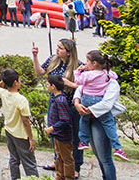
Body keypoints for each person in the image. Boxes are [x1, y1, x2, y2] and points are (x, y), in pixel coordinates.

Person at [33, 38, 83, 176]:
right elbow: (39, 72)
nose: (57, 50)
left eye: (60, 48)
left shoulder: (78, 66)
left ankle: (75, 166)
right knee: (55, 132)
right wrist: (35, 56)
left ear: (68, 52)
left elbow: (87, 87)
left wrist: (70, 84)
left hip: (70, 105)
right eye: (57, 47)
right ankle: (58, 160)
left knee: (73, 136)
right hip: (55, 103)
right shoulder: (53, 60)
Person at [75, 51, 127, 160]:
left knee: (84, 120)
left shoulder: (87, 75)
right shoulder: (107, 75)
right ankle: (118, 148)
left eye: (87, 61)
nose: (86, 63)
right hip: (99, 100)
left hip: (86, 100)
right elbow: (114, 75)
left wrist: (78, 72)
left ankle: (83, 141)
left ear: (94, 63)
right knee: (109, 125)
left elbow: (78, 82)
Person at [74, 75, 120, 180]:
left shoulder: (111, 83)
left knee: (105, 157)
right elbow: (80, 89)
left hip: (100, 121)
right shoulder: (91, 78)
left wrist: (87, 109)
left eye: (88, 62)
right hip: (88, 118)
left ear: (95, 63)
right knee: (98, 155)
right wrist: (77, 103)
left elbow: (107, 104)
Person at [0, 68, 38, 179]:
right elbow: (25, 121)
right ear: (16, 82)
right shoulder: (21, 100)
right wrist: (31, 138)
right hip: (21, 135)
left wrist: (3, 82)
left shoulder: (3, 93)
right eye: (19, 80)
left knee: (14, 159)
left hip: (9, 131)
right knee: (29, 162)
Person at [46, 75, 75, 180]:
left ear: (53, 86)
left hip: (63, 136)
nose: (47, 86)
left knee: (67, 159)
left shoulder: (60, 100)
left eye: (48, 84)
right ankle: (60, 176)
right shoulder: (55, 98)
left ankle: (69, 177)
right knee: (59, 157)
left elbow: (65, 120)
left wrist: (52, 128)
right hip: (57, 135)